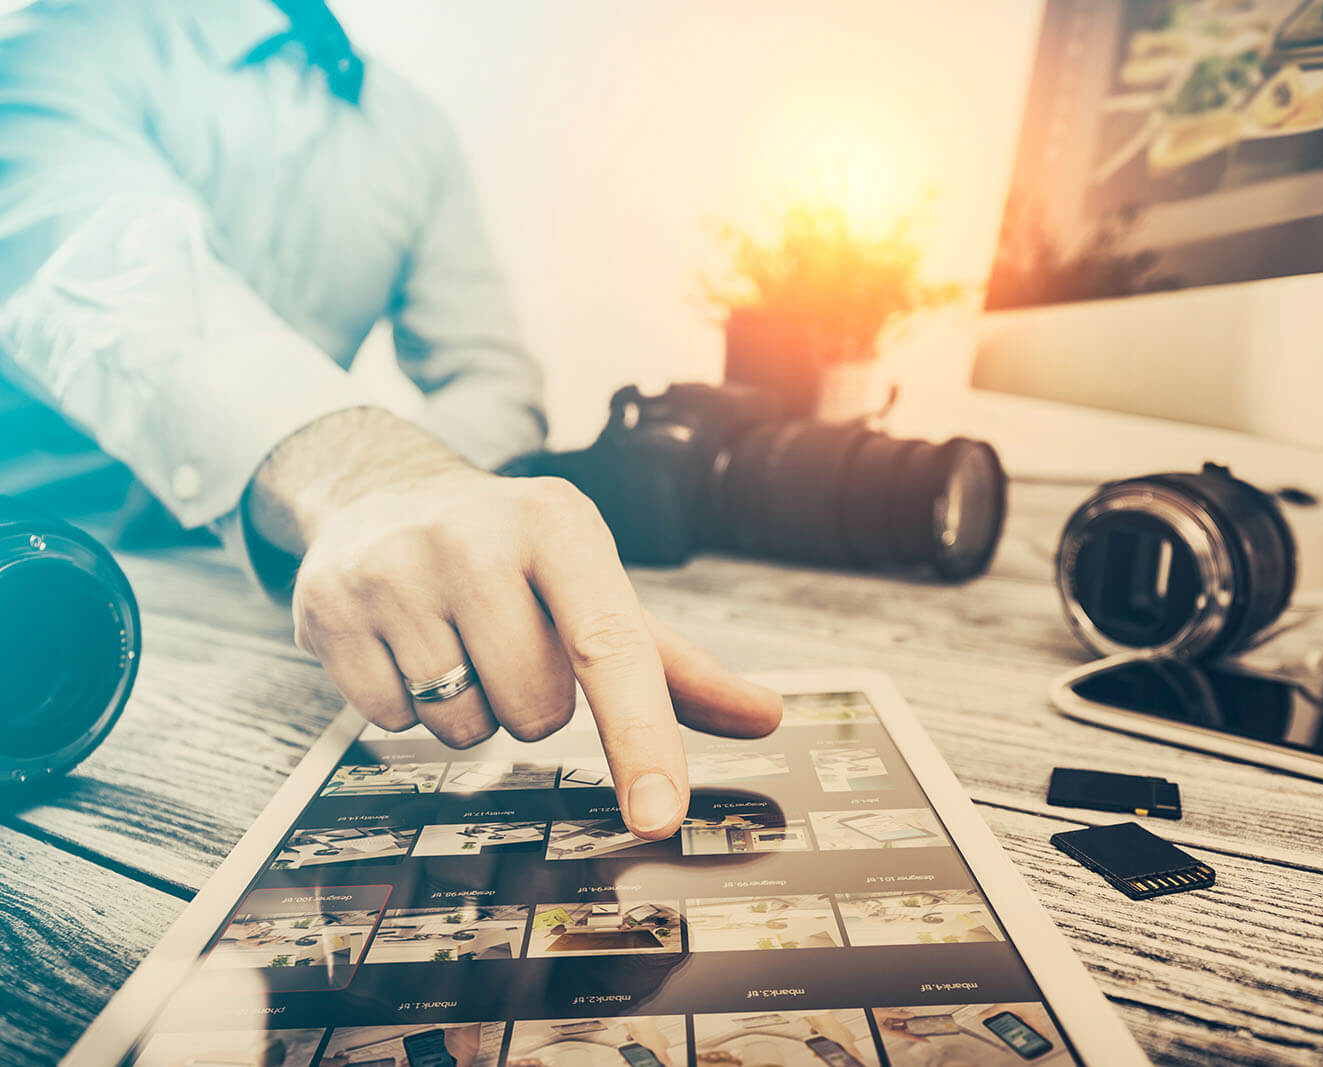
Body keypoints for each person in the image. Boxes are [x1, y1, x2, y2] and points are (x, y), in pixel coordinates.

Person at [0, 0, 781, 839]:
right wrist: (363, 476)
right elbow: (95, 264)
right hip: (44, 593)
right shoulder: (56, 44)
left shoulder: (413, 129)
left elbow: (491, 375)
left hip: (283, 615)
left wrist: (402, 514)